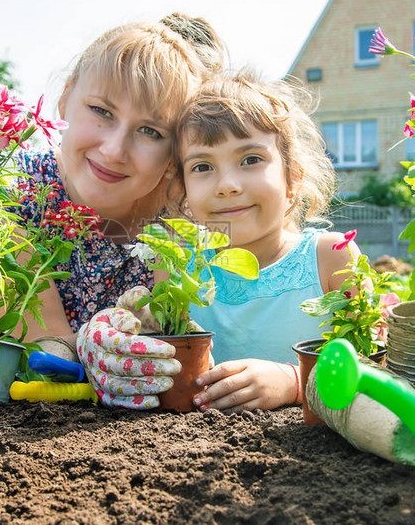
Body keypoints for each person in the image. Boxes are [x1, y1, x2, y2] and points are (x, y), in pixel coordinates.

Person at [77, 71, 359, 411]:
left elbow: (378, 365)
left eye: (250, 160)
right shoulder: (180, 266)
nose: (227, 184)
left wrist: (294, 382)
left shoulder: (330, 257)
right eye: (202, 166)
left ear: (293, 178)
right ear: (184, 194)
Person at [11, 14, 226, 361]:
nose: (113, 150)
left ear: (174, 155)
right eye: (101, 111)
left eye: (151, 131)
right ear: (66, 98)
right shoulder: (12, 194)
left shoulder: (179, 223)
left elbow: (182, 351)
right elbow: (48, 350)